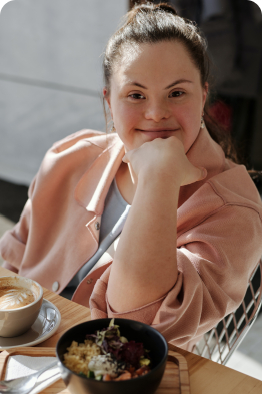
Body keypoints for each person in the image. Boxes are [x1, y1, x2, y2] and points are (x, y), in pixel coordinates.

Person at [1, 3, 262, 351]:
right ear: (109, 101)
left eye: (177, 93)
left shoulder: (233, 210)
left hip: (119, 380)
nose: (156, 113)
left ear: (203, 96)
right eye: (135, 95)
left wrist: (158, 177)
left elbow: (134, 329)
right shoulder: (69, 157)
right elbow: (13, 266)